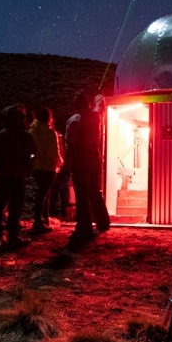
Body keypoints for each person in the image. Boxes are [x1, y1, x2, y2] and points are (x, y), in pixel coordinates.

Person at [65, 90, 110, 240]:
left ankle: (84, 226)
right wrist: (99, 97)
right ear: (88, 103)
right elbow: (99, 107)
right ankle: (103, 222)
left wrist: (68, 160)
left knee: (81, 194)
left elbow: (71, 142)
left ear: (76, 104)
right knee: (95, 190)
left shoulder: (74, 120)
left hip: (81, 159)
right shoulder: (95, 115)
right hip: (94, 157)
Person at [0, 105, 36, 248]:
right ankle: (13, 236)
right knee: (16, 205)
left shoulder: (0, 135)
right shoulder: (25, 136)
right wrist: (29, 166)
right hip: (18, 174)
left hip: (3, 174)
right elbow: (32, 154)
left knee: (1, 203)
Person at [29, 108, 64, 235]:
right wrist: (60, 162)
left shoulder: (32, 131)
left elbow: (30, 151)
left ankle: (43, 220)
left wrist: (32, 160)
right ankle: (39, 221)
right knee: (43, 193)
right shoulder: (50, 133)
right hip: (49, 167)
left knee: (43, 192)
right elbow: (54, 152)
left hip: (36, 167)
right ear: (49, 118)